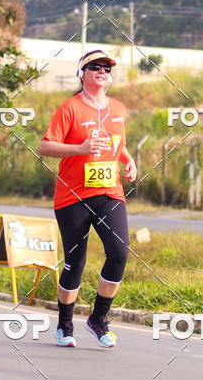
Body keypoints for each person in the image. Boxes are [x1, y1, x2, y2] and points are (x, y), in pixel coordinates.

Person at [39, 49, 137, 348]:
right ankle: (65, 323)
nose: (102, 72)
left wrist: (128, 159)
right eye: (94, 67)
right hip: (72, 196)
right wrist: (80, 149)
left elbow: (116, 143)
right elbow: (45, 147)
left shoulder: (119, 109)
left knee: (119, 253)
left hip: (109, 192)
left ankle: (98, 318)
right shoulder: (69, 108)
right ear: (81, 74)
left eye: (107, 68)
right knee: (75, 262)